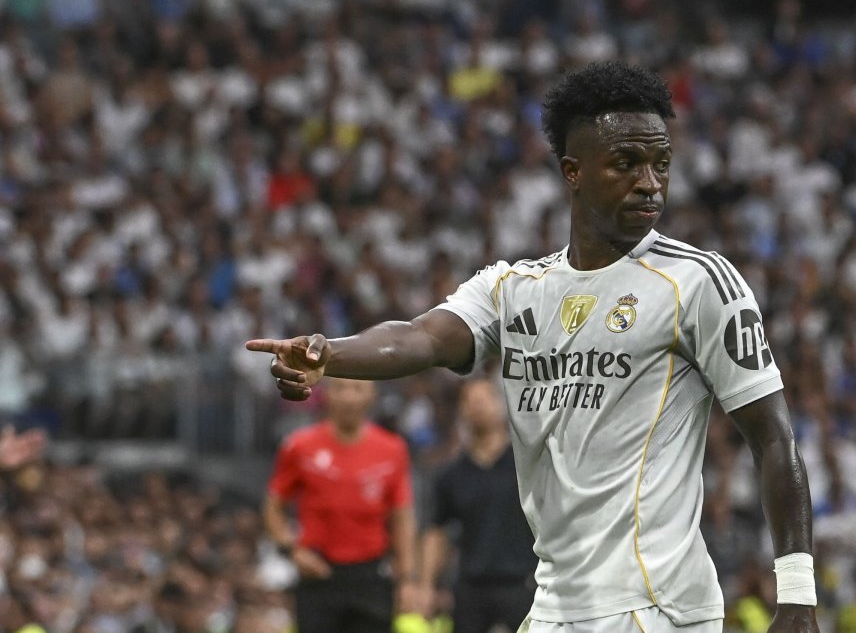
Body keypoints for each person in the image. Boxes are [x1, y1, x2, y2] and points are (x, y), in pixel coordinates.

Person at [247, 61, 819, 632]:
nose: (650, 183)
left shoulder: (698, 282)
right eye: (626, 164)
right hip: (553, 607)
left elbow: (772, 435)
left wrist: (796, 595)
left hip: (656, 608)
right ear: (573, 172)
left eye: (661, 164)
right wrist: (331, 353)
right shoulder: (514, 289)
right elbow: (420, 337)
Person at [263, 377, 417, 633]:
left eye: (357, 389)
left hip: (371, 575)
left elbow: (402, 516)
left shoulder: (393, 449)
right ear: (327, 395)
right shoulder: (299, 446)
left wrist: (407, 578)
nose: (348, 397)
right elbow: (273, 505)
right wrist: (291, 550)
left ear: (371, 396)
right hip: (318, 575)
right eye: (340, 388)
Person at [417, 378, 537, 632]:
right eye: (469, 401)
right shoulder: (451, 474)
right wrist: (426, 586)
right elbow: (437, 531)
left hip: (523, 583)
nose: (476, 407)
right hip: (471, 585)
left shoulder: (527, 466)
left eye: (483, 399)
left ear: (500, 404)